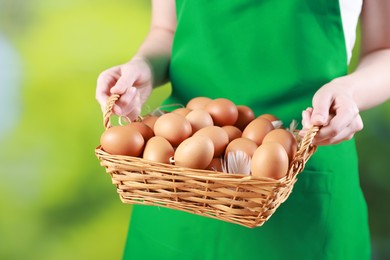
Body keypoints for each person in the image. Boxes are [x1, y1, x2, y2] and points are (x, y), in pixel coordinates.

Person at [96, 1, 390, 259]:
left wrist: (349, 91)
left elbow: (384, 49)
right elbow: (166, 30)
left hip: (302, 171)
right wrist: (143, 67)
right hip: (175, 178)